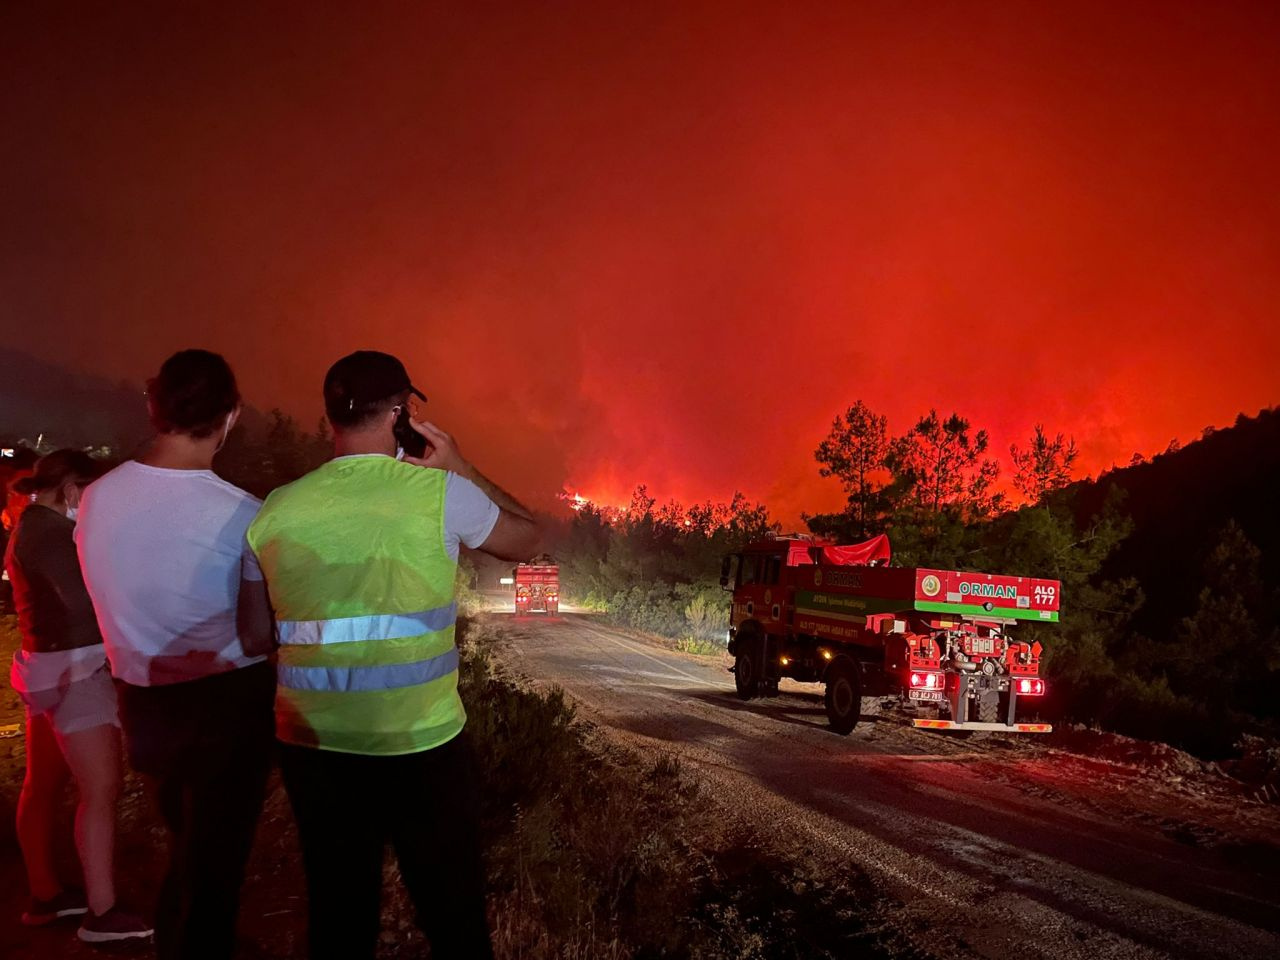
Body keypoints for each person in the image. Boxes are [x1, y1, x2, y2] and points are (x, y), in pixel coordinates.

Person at [241, 350, 540, 960]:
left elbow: (252, 636)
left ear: (332, 416)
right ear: (402, 413)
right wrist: (461, 467)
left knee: (338, 914)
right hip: (421, 744)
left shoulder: (274, 510)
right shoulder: (440, 495)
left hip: (314, 748)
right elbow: (527, 539)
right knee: (454, 918)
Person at [75, 350, 275, 960]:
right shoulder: (243, 514)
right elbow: (258, 634)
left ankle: (179, 932)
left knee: (189, 841)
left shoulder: (96, 499)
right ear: (231, 416)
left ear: (152, 406)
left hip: (141, 702)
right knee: (217, 865)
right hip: (223, 707)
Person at [5, 451, 153, 943]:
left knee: (42, 785)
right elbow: (81, 601)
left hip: (44, 671)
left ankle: (45, 895)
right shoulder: (47, 534)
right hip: (77, 672)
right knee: (101, 791)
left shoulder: (30, 526)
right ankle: (102, 913)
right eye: (87, 495)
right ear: (71, 490)